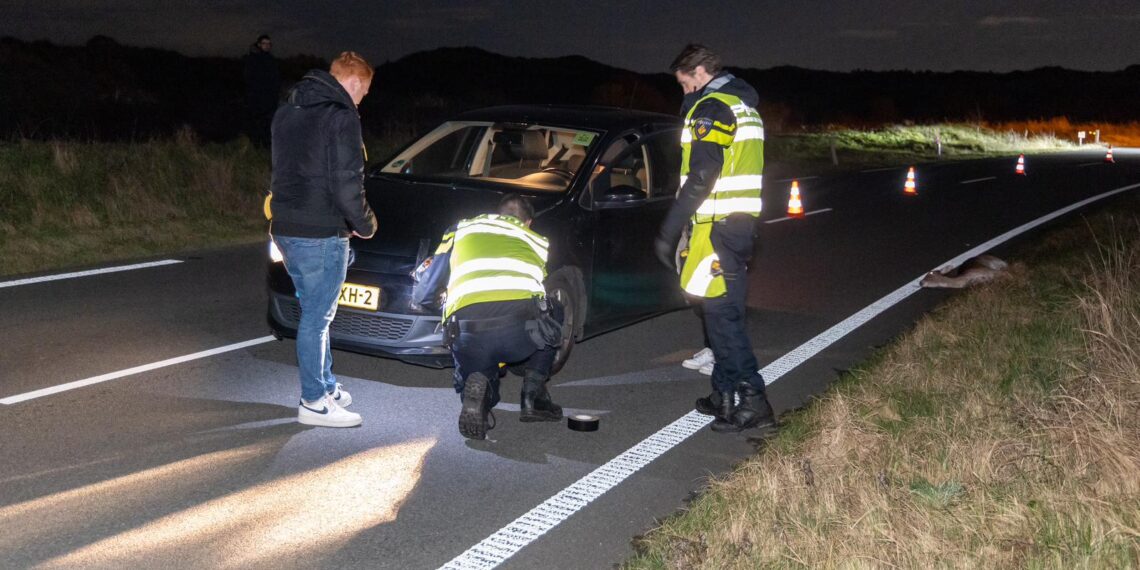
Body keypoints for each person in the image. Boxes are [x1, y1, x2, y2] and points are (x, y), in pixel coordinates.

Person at [654, 44, 776, 433]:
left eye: (685, 82)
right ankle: (723, 394)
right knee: (717, 313)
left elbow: (703, 176)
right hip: (734, 227)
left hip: (718, 229)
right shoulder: (745, 107)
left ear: (701, 72)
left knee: (724, 321)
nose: (684, 91)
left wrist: (669, 230)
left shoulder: (713, 108)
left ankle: (754, 401)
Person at [268, 52, 378, 428]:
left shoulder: (287, 111)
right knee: (317, 317)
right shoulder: (341, 115)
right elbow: (347, 182)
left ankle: (326, 385)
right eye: (362, 93)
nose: (360, 100)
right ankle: (314, 401)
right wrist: (365, 223)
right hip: (322, 231)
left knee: (316, 311)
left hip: (285, 227)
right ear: (354, 84)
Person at [413, 194, 564, 440]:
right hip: (518, 333)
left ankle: (480, 394)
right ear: (527, 223)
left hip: (467, 332)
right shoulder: (537, 241)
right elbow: (537, 289)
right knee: (552, 308)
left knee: (477, 369)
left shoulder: (460, 228)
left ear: (497, 213)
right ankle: (533, 398)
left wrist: (434, 302)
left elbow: (428, 285)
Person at [244, 34, 281, 147]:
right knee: (256, 121)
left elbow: (276, 79)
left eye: (268, 43)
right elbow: (248, 78)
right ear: (259, 44)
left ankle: (266, 144)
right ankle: (255, 143)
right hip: (256, 97)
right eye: (264, 43)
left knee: (268, 122)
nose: (267, 46)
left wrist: (275, 95)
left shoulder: (272, 59)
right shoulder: (252, 59)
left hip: (270, 98)